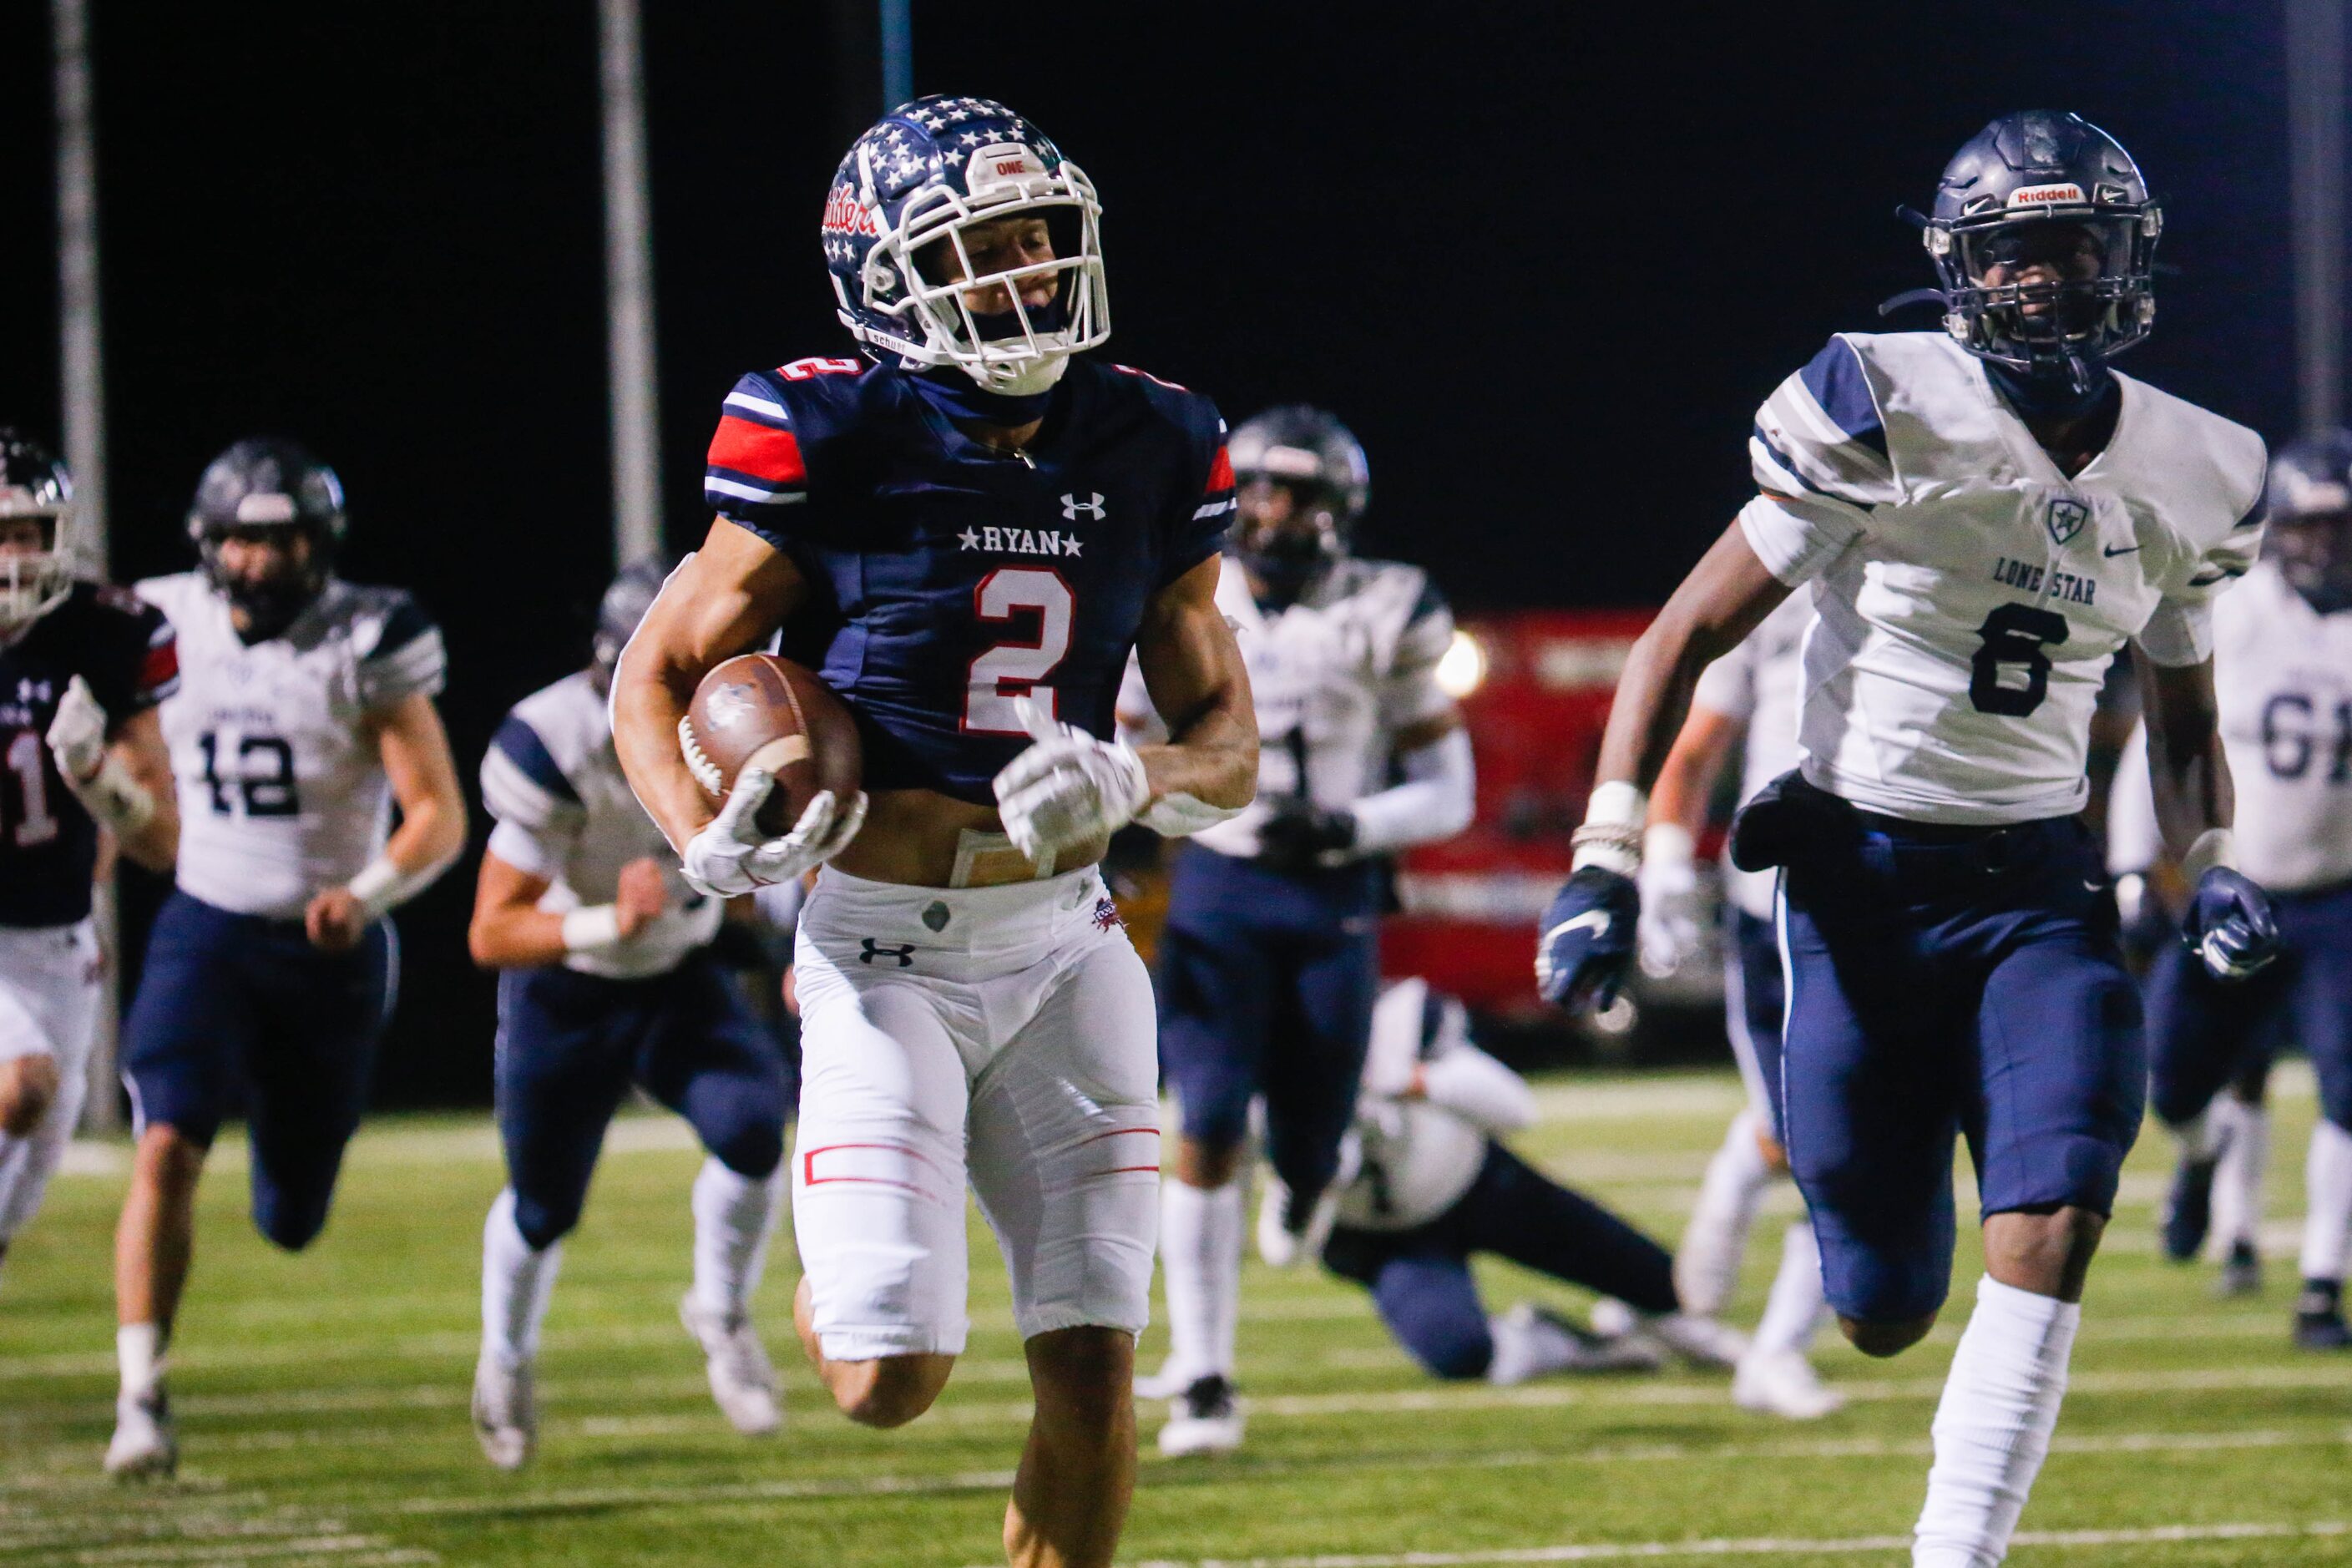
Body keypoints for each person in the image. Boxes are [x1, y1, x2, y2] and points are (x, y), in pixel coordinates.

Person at [1532, 112, 2279, 1567]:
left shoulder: (2198, 464)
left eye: (2075, 251)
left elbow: (2181, 720)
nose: (2046, 286)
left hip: (2036, 891)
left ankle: (1957, 1549)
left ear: (2130, 261)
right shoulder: (1879, 401)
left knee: (2055, 1207)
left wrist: (2213, 860)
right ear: (1959, 274)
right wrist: (1607, 852)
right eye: (2014, 258)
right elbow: (1679, 637)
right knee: (1879, 1306)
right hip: (1856, 891)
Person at [608, 97, 1255, 1568]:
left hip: (1064, 941)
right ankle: (838, 1263)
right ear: (885, 278)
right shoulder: (821, 425)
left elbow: (1230, 745)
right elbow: (657, 670)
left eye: (1041, 238)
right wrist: (699, 833)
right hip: (880, 948)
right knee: (886, 1382)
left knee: (1093, 1360)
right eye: (982, 246)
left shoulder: (1154, 437)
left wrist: (1136, 781)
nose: (1028, 273)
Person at [1117, 406, 1475, 1456]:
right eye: (1267, 490)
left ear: (1342, 511)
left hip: (1333, 899)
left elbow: (1448, 789)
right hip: (1220, 892)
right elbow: (1119, 738)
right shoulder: (1184, 592)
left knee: (1310, 1147)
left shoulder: (1389, 603)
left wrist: (1349, 823)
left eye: (1306, 495)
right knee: (1209, 1121)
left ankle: (1312, 1176)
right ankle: (1207, 1377)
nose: (1282, 514)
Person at [108, 439, 468, 1479]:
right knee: (167, 1143)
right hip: (207, 922)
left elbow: (437, 815)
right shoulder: (156, 621)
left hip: (330, 943)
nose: (263, 561)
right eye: (244, 540)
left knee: (292, 1215)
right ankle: (140, 1396)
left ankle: (290, 1170)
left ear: (319, 544)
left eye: (284, 538)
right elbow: (132, 780)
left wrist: (364, 894)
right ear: (209, 546)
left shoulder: (365, 637)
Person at [467, 558, 797, 1469]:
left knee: (753, 1131)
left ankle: (722, 1314)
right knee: (544, 1206)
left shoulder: (749, 724)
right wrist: (606, 919)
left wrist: (780, 935)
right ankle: (506, 1356)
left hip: (677, 979)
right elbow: (490, 932)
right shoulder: (557, 740)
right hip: (569, 989)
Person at [2117, 432, 2352, 1348]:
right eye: (2308, 526)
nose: (2324, 546)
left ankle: (2322, 1286)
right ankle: (2202, 1158)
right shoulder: (2233, 609)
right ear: (2277, 530)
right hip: (2236, 892)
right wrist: (2138, 871)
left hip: (2340, 899)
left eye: (2340, 527)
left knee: (2347, 1093)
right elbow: (2161, 743)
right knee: (2172, 1086)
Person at [1323, 979, 1741, 1384]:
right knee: (1461, 1354)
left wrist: (1418, 1083)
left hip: (1480, 1184)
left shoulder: (1399, 1015)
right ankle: (1558, 1344)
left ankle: (1668, 1325)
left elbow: (1517, 1109)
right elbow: (1283, 1240)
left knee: (1666, 1283)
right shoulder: (1269, 1062)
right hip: (1388, 1237)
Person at [1640, 593, 1841, 1419]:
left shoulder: (1947, 558)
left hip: (1905, 908)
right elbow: (1694, 751)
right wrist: (1660, 866)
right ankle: (1734, 1327)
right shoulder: (1772, 589)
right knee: (1811, 1141)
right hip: (1778, 912)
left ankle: (1735, 1327)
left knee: (1859, 1145)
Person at [0, 431, 179, 1282]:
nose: (11, 555)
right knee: (23, 1086)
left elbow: (162, 842)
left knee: (23, 1182)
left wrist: (97, 778)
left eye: (26, 531)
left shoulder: (104, 635)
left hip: (55, 941)